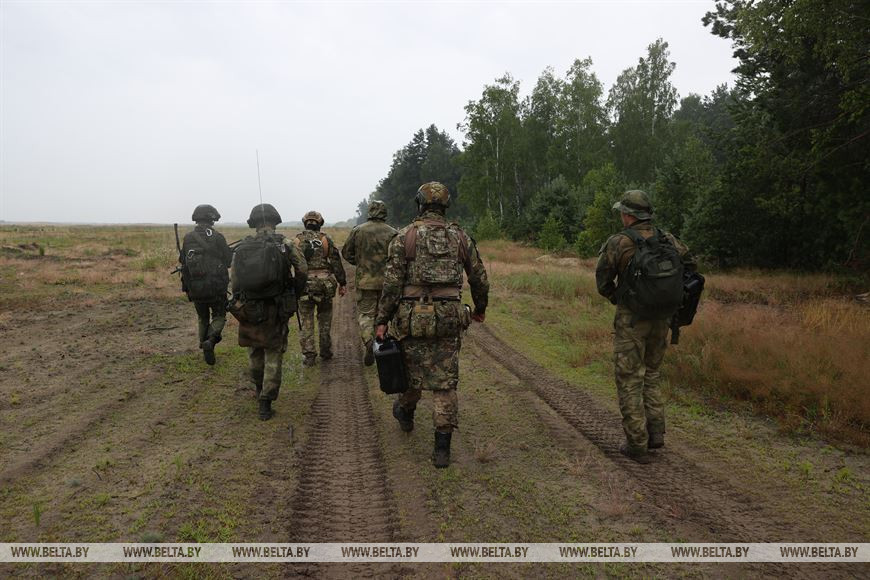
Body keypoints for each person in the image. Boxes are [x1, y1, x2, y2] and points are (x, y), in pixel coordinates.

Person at [375, 182, 489, 468]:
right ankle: (441, 450)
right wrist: (480, 309)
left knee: (411, 373)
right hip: (449, 320)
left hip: (411, 319)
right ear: (445, 206)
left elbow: (391, 285)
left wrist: (381, 320)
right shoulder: (461, 238)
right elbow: (479, 279)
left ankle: (405, 411)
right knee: (445, 381)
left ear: (420, 204)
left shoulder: (405, 237)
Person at [595, 190, 696, 464]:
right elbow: (690, 267)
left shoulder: (619, 242)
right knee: (651, 374)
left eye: (622, 212)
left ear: (628, 215)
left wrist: (620, 297)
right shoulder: (669, 239)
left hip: (632, 320)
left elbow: (603, 280)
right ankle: (655, 434)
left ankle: (636, 444)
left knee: (629, 378)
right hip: (663, 320)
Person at [229, 204, 307, 420]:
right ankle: (266, 400)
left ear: (253, 223)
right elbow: (302, 269)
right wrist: (294, 293)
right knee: (273, 350)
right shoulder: (286, 243)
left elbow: (234, 279)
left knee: (254, 349)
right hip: (276, 305)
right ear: (275, 221)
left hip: (250, 306)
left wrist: (241, 299)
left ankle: (257, 387)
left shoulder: (243, 246)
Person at [341, 200, 397, 366]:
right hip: (387, 282)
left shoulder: (358, 230)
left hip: (365, 281)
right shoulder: (393, 232)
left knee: (365, 314)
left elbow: (346, 252)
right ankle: (381, 344)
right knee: (383, 315)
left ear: (370, 212)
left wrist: (359, 263)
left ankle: (368, 342)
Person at [179, 204, 233, 366]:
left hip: (196, 287)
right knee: (219, 316)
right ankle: (210, 340)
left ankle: (204, 345)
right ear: (212, 218)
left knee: (202, 317)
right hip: (216, 288)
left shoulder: (188, 238)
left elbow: (182, 261)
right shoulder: (218, 237)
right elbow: (228, 261)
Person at [294, 211, 347, 367]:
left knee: (306, 321)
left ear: (305, 223)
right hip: (324, 286)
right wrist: (342, 283)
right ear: (320, 223)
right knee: (324, 319)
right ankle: (325, 350)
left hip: (304, 285)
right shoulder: (325, 239)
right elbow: (336, 262)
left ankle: (309, 355)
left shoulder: (296, 241)